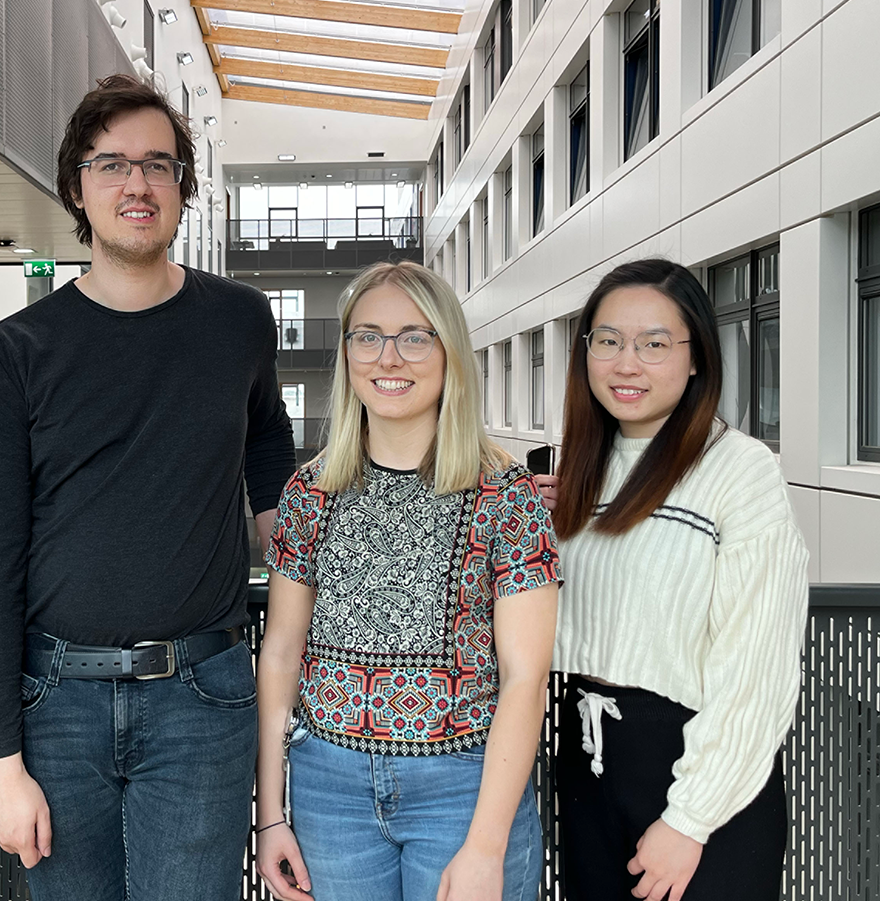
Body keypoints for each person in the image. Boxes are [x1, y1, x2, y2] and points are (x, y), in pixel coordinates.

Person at [0, 74, 296, 901]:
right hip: (55, 703)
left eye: (158, 163)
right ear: (77, 184)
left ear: (184, 184)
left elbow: (270, 467)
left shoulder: (240, 322)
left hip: (204, 695)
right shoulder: (16, 350)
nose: (136, 183)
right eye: (110, 164)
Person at [256, 261, 561, 901]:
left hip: (464, 788)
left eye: (415, 336)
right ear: (345, 354)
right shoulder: (310, 491)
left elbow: (526, 678)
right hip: (328, 789)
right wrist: (271, 812)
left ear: (449, 351)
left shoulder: (506, 497)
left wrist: (486, 845)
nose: (388, 356)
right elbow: (281, 653)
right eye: (367, 336)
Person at [536, 259, 808, 901]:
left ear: (696, 359)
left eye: (655, 344)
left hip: (700, 779)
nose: (626, 364)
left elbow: (757, 667)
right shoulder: (580, 469)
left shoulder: (740, 470)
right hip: (588, 760)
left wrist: (690, 818)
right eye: (607, 341)